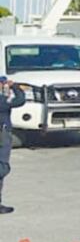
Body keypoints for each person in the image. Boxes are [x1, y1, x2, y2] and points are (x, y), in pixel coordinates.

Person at [0, 78, 26, 213]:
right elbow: (20, 100)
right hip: (2, 134)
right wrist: (15, 86)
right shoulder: (3, 101)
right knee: (2, 167)